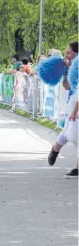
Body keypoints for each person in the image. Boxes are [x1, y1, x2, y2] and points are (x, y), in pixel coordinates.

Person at [47, 41, 78, 178]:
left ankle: (77, 168)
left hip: (75, 105)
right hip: (72, 104)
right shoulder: (69, 67)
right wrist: (66, 71)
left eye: (68, 52)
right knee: (68, 134)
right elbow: (67, 86)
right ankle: (55, 149)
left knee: (75, 136)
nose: (66, 55)